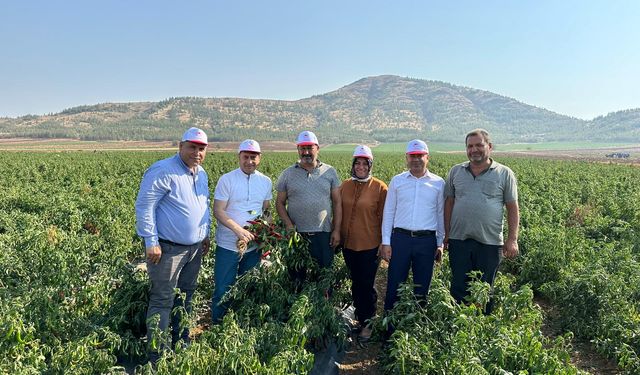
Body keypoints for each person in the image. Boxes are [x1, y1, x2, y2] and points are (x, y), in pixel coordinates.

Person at [135, 127, 211, 363]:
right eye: (192, 147)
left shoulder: (201, 173)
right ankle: (157, 355)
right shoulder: (163, 170)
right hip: (167, 249)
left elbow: (202, 206)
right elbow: (145, 206)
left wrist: (205, 234)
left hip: (194, 249)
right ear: (180, 147)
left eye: (201, 149)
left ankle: (182, 342)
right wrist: (151, 241)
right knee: (163, 299)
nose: (196, 153)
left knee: (186, 296)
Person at [444, 128, 519, 314]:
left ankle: (481, 327)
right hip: (459, 240)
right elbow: (449, 203)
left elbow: (512, 207)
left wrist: (512, 239)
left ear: (489, 147)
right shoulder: (456, 172)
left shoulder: (504, 173)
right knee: (459, 285)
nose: (474, 150)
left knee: (485, 288)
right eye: (470, 146)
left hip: (490, 242)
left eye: (479, 145)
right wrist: (446, 235)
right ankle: (459, 325)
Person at [211, 139, 272, 323]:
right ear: (239, 157)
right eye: (246, 157)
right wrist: (238, 230)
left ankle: (241, 325)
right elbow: (218, 210)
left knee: (248, 287)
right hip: (228, 245)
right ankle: (218, 325)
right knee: (223, 288)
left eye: (253, 157)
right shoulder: (227, 180)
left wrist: (265, 230)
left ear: (259, 158)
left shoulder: (265, 181)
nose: (249, 161)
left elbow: (266, 209)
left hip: (253, 246)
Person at [381, 139, 444, 313]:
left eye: (420, 156)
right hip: (400, 239)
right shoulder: (397, 181)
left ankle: (416, 328)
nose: (416, 159)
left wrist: (440, 243)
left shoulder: (439, 183)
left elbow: (440, 215)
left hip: (426, 241)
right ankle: (389, 330)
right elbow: (388, 213)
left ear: (427, 158)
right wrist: (386, 242)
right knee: (394, 285)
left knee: (422, 288)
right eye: (412, 156)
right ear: (407, 158)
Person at [275, 130, 341, 284]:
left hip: (323, 234)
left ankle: (323, 306)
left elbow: (337, 202)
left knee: (324, 277)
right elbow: (279, 203)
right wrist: (289, 225)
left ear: (317, 148)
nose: (306, 152)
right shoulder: (288, 174)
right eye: (302, 148)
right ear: (297, 150)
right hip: (296, 236)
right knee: (297, 277)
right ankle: (296, 305)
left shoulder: (330, 172)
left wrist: (337, 230)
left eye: (310, 148)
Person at [339, 145, 388, 341]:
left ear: (370, 165)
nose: (360, 167)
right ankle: (360, 319)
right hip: (348, 244)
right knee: (356, 282)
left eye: (364, 163)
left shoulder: (380, 187)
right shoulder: (345, 185)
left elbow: (386, 217)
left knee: (366, 284)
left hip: (369, 245)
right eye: (357, 163)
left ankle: (368, 324)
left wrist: (383, 243)